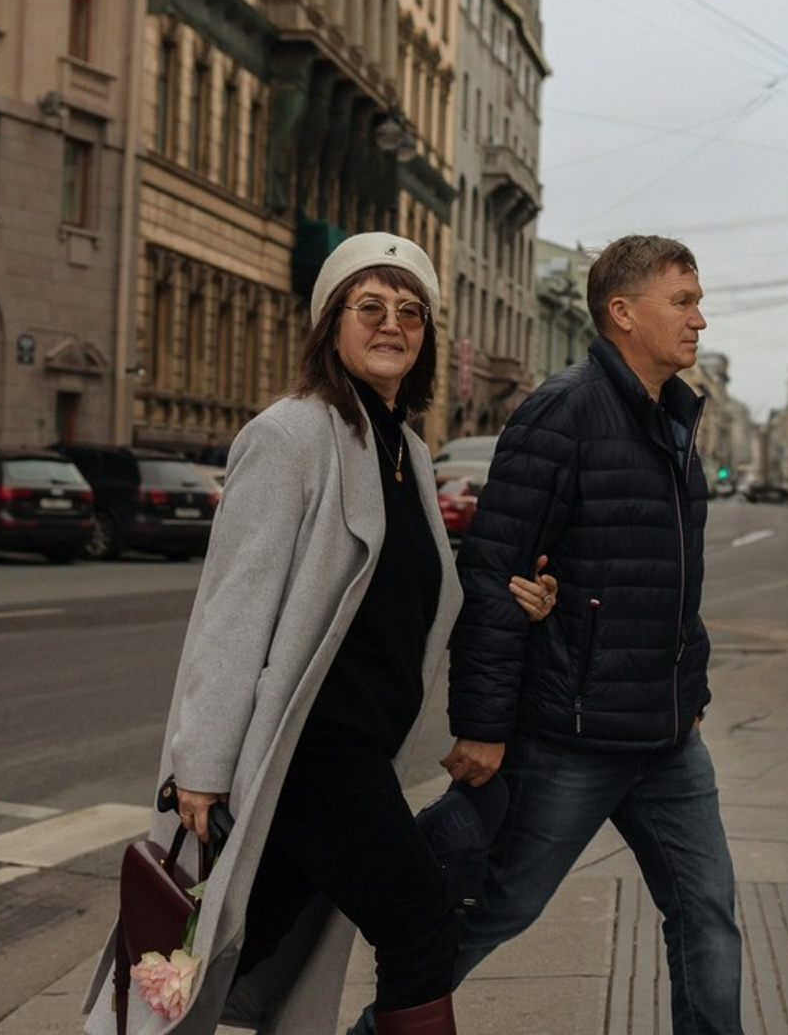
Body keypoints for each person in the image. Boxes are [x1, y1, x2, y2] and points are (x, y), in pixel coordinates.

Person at [83, 232, 555, 1035]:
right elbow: (233, 611)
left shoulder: (402, 447)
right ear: (330, 323)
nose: (392, 323)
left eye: (411, 311)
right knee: (417, 920)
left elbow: (409, 597)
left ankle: (128, 1027)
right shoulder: (290, 435)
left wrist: (515, 605)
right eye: (369, 306)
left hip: (359, 748)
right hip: (307, 751)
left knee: (231, 943)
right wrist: (200, 765)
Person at [441, 234, 743, 1034]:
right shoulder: (565, 409)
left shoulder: (672, 418)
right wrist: (480, 723)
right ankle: (387, 1026)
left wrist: (693, 687)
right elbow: (494, 570)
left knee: (707, 913)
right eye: (682, 301)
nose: (700, 319)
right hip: (574, 734)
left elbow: (674, 581)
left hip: (668, 735)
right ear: (622, 312)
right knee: (495, 911)